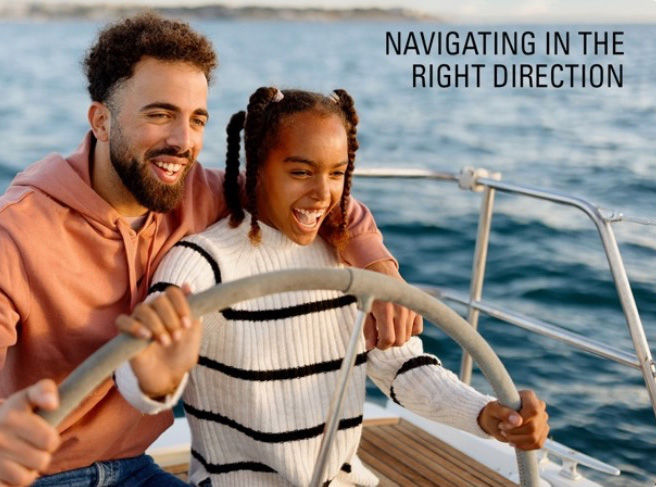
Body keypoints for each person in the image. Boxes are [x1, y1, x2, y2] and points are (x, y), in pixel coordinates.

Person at [0, 13, 420, 487]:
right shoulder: (12, 231)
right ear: (101, 121)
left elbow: (315, 203)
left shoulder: (201, 192)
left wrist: (379, 266)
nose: (183, 141)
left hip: (136, 469)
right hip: (38, 477)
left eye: (197, 119)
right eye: (160, 114)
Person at [115, 87, 550, 486]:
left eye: (337, 173)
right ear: (258, 170)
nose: (323, 193)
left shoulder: (345, 258)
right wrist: (157, 375)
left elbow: (402, 370)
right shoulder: (202, 263)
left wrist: (486, 415)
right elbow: (142, 377)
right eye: (301, 172)